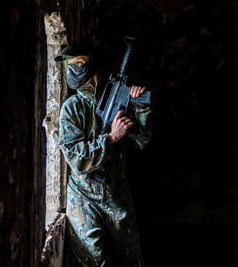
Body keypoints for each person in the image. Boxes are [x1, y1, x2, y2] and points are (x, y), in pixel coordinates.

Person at [55, 45, 152, 267]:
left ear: (92, 62)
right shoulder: (72, 109)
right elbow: (77, 159)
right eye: (70, 65)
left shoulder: (118, 96)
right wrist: (110, 138)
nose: (74, 69)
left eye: (78, 62)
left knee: (131, 258)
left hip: (116, 192)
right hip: (83, 195)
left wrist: (139, 107)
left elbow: (142, 140)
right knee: (92, 260)